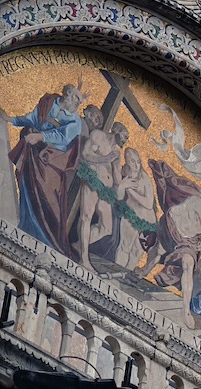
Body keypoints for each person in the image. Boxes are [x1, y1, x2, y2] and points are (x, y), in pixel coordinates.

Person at [136, 158, 201, 330]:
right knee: (158, 251)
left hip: (186, 241)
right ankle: (144, 270)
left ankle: (185, 310)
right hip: (171, 226)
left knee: (188, 263)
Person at [0, 81, 86, 256]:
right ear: (67, 93)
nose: (78, 102)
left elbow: (63, 136)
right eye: (76, 97)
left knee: (49, 199)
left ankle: (47, 240)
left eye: (80, 100)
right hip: (34, 152)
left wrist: (40, 136)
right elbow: (33, 118)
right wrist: (11, 119)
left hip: (53, 161)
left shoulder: (75, 121)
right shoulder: (49, 102)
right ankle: (25, 226)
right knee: (28, 187)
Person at [76, 115, 129, 271]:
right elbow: (85, 154)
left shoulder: (116, 151)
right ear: (116, 130)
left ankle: (79, 244)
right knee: (86, 216)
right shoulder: (98, 136)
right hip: (93, 179)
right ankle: (84, 259)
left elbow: (116, 177)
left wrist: (119, 172)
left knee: (107, 227)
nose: (126, 139)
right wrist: (105, 159)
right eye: (125, 135)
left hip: (106, 190)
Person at [113, 148, 157, 269]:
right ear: (127, 161)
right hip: (131, 215)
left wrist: (131, 191)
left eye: (138, 161)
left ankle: (126, 276)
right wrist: (122, 186)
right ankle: (116, 272)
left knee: (137, 252)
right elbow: (119, 197)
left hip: (146, 221)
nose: (136, 165)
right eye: (133, 161)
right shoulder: (125, 173)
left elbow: (149, 203)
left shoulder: (144, 179)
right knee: (124, 246)